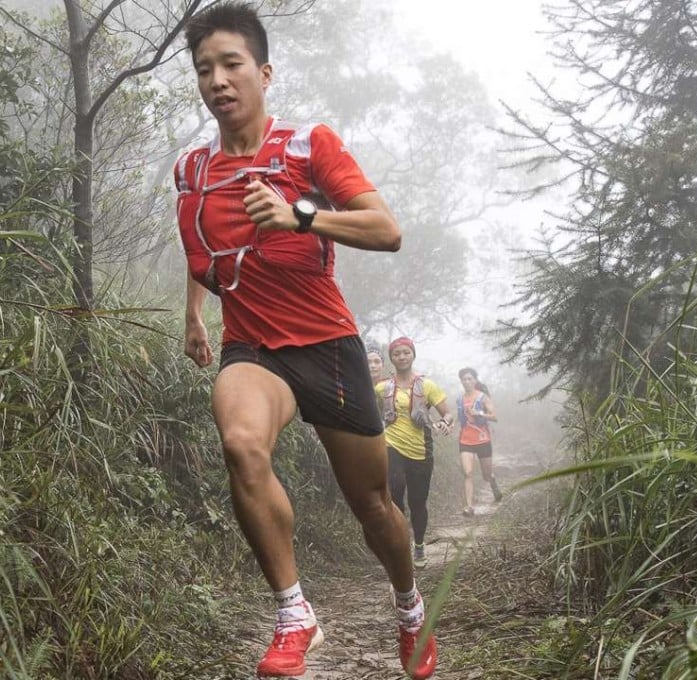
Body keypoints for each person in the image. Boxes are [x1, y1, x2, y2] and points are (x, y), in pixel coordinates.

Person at [175, 5, 437, 679]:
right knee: (240, 442)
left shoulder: (305, 147)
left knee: (374, 507)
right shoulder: (192, 170)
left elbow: (387, 230)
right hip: (254, 349)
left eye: (231, 64)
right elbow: (202, 245)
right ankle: (295, 614)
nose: (218, 80)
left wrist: (303, 216)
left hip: (328, 346)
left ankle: (409, 608)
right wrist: (193, 314)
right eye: (205, 69)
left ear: (263, 73)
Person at [375, 337, 453, 569]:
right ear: (391, 358)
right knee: (395, 494)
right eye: (396, 353)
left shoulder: (427, 386)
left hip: (420, 449)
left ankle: (419, 544)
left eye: (405, 352)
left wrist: (444, 423)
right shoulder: (382, 388)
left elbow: (447, 413)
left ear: (413, 355)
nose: (401, 357)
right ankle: (399, 547)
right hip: (392, 445)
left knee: (418, 502)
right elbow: (371, 413)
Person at [456, 367, 502, 514]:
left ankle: (492, 481)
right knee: (467, 473)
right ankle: (469, 507)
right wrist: (448, 426)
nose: (467, 381)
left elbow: (494, 416)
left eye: (470, 378)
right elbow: (459, 418)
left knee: (486, 475)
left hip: (482, 440)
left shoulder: (482, 397)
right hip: (465, 440)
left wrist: (480, 413)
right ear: (461, 381)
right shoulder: (459, 399)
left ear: (475, 380)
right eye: (464, 379)